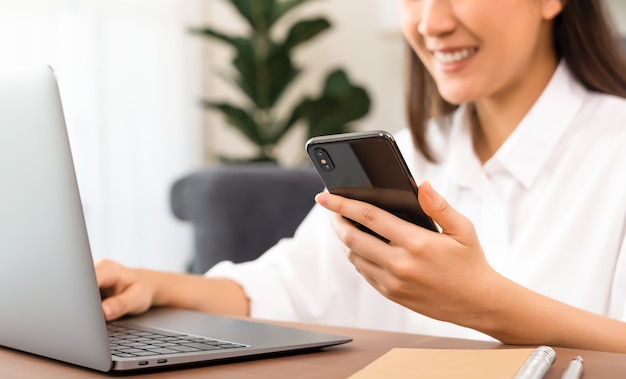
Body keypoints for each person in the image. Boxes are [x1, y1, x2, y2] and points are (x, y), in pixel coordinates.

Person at [96, 0, 626, 353]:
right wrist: (150, 284)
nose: (430, 23)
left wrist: (485, 304)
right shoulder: (411, 155)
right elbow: (280, 292)